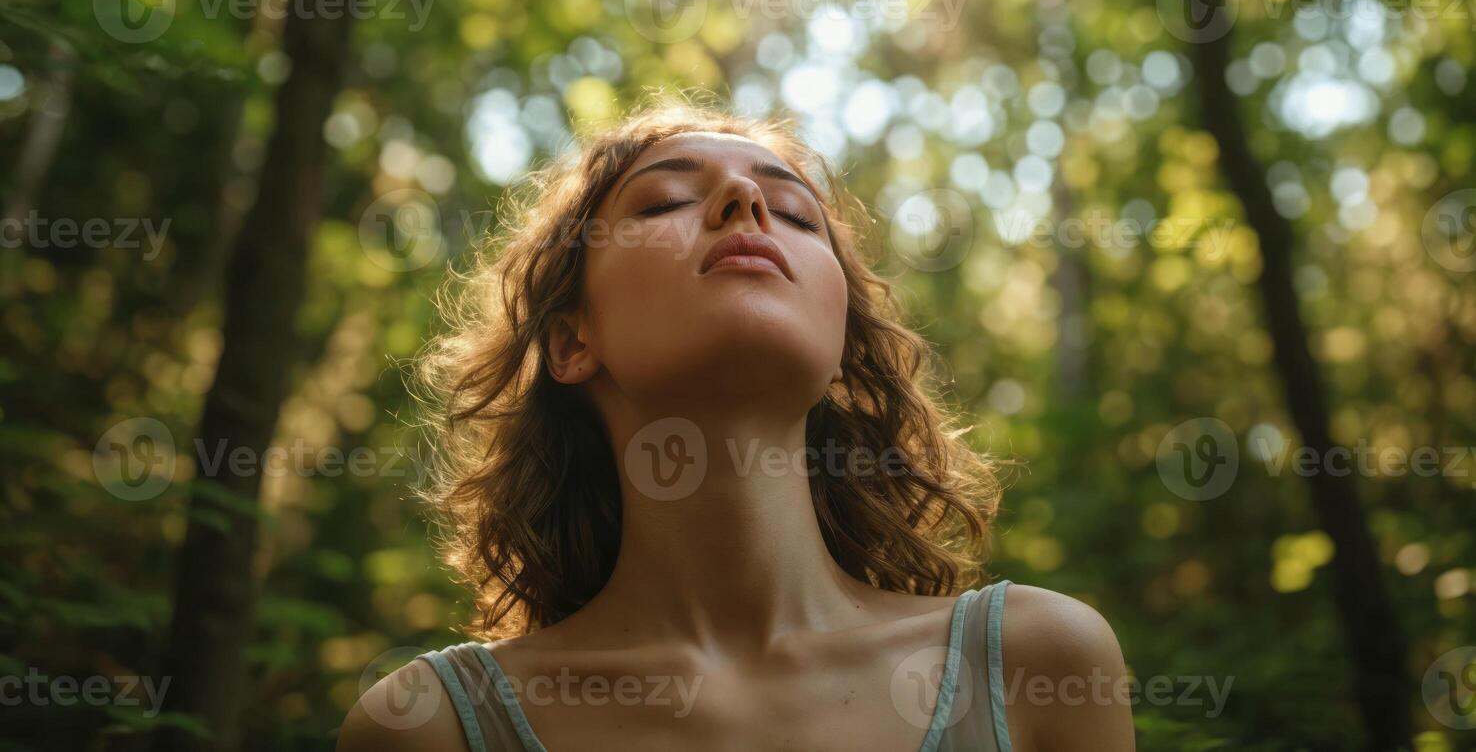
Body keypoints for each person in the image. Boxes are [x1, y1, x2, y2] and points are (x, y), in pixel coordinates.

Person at [339, 103, 1135, 751]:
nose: (745, 204)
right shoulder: (428, 725)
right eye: (666, 201)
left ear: (840, 342)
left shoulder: (1035, 665)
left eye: (792, 211)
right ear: (573, 341)